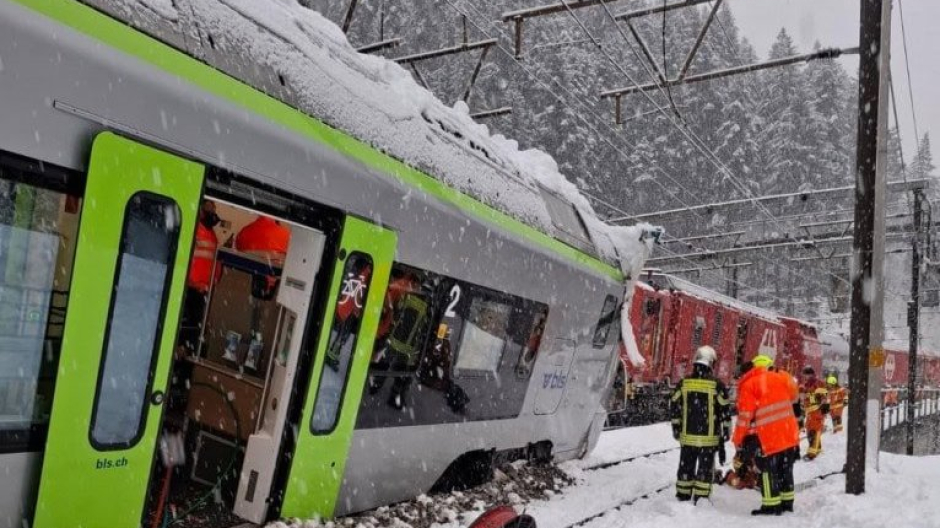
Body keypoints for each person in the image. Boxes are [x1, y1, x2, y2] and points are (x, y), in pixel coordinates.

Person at [733, 355, 800, 515]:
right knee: (785, 469)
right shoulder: (781, 378)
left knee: (768, 471)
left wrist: (737, 439)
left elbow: (745, 417)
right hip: (789, 433)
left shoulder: (750, 384)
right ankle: (787, 503)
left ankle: (771, 506)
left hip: (769, 436)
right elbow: (794, 397)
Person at [670, 345, 731, 503]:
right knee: (704, 470)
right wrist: (725, 432)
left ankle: (683, 494)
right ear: (711, 364)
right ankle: (701, 498)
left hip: (688, 437)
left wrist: (676, 427)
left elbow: (674, 406)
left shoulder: (684, 383)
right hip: (708, 440)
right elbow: (725, 411)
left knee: (686, 467)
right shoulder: (717, 385)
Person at [800, 366, 830, 460]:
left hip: (817, 412)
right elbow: (806, 398)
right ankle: (817, 448)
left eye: (806, 375)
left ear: (810, 374)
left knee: (815, 432)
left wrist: (824, 406)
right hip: (810, 413)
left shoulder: (818, 384)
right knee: (810, 433)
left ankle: (812, 454)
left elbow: (825, 396)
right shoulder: (806, 385)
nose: (804, 377)